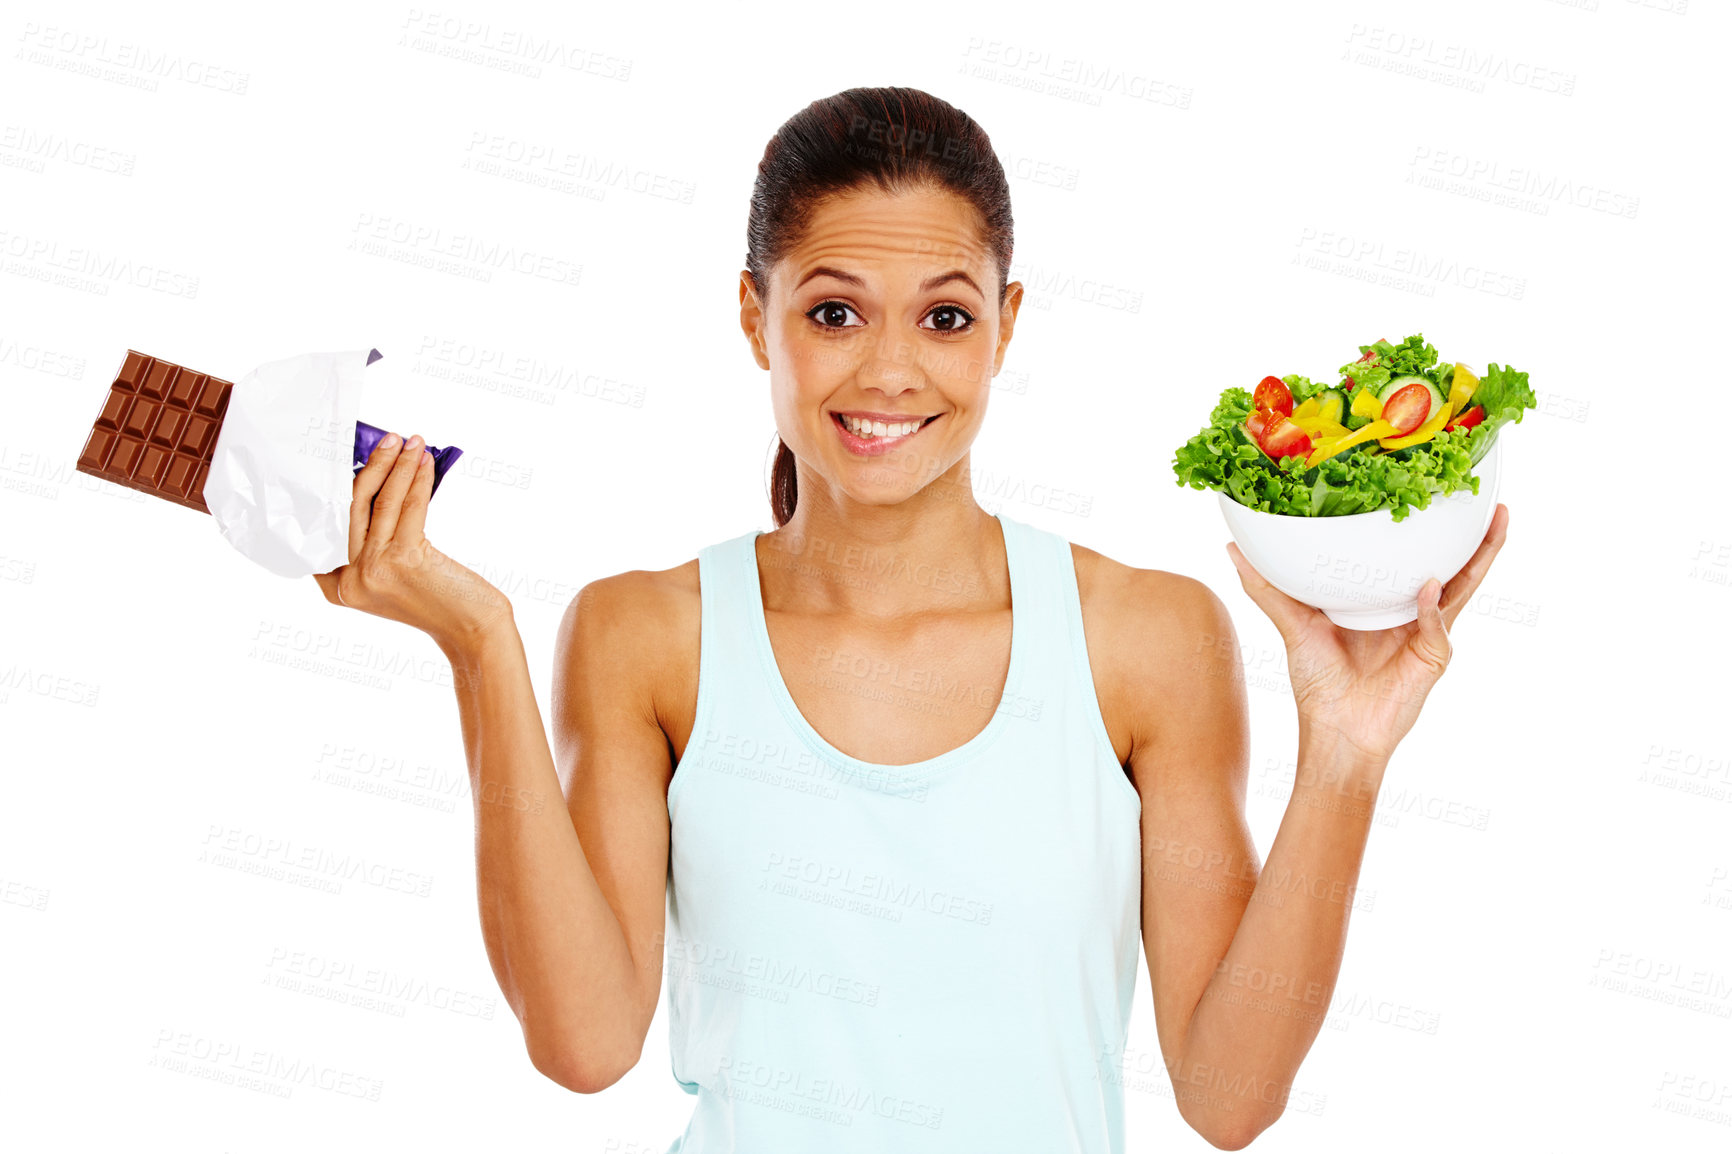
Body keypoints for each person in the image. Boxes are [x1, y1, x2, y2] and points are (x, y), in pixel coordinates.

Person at [314, 86, 1510, 1153]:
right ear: (753, 315)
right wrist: (479, 644)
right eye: (835, 313)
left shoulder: (1145, 635)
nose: (890, 371)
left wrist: (1347, 754)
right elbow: (582, 1044)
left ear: (1006, 322)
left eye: (943, 318)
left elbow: (1227, 1095)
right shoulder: (645, 635)